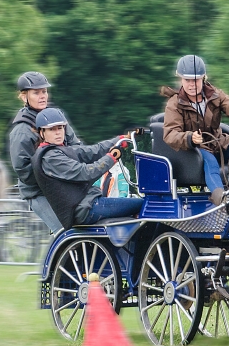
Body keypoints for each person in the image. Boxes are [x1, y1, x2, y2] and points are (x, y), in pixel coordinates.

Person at [160, 55, 229, 205]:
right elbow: (170, 134)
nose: (192, 85)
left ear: (203, 78)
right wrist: (189, 138)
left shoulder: (215, 95)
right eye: (187, 80)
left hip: (217, 142)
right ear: (180, 80)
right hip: (192, 150)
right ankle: (221, 198)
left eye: (195, 80)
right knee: (209, 161)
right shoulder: (174, 104)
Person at [31, 108, 144, 229]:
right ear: (42, 133)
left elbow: (93, 151)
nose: (58, 132)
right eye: (52, 129)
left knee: (142, 206)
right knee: (145, 204)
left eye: (60, 128)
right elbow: (86, 172)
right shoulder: (50, 158)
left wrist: (120, 140)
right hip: (85, 208)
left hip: (88, 202)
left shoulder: (59, 150)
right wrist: (111, 158)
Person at [8, 71, 82, 232]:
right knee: (66, 233)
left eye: (44, 91)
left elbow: (76, 147)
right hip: (38, 192)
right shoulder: (22, 130)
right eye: (36, 93)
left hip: (65, 186)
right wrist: (55, 174)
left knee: (85, 228)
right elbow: (23, 171)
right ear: (23, 96)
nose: (42, 96)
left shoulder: (56, 117)